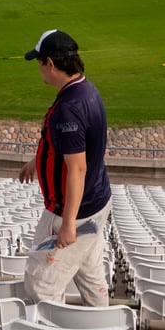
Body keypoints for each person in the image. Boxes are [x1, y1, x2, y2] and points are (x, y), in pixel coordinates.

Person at [17, 29, 111, 305]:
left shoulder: (68, 107)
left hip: (74, 211)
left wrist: (68, 223)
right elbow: (74, 145)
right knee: (90, 275)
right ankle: (100, 326)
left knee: (40, 287)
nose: (39, 69)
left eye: (39, 62)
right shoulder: (85, 89)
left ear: (51, 64)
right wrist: (39, 160)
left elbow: (77, 168)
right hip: (97, 201)